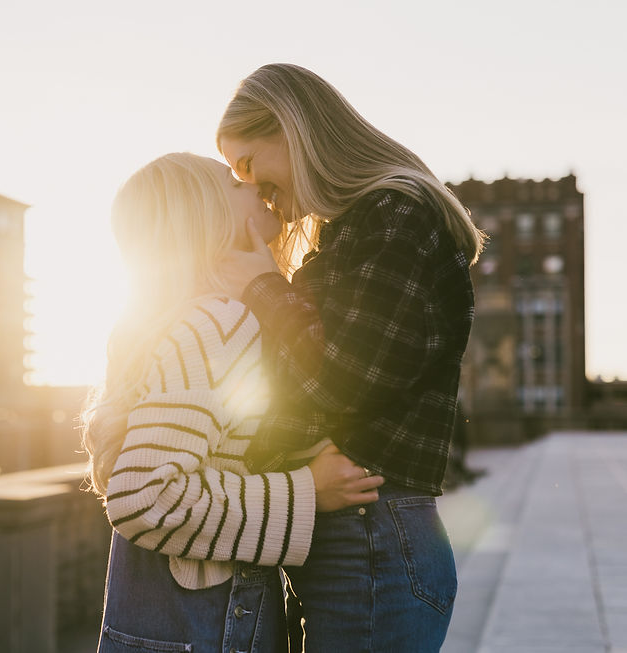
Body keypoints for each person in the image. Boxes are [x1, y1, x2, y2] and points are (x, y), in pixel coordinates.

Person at [216, 63, 485, 652]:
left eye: (248, 165)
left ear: (290, 128)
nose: (254, 188)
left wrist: (264, 286)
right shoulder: (354, 230)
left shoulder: (395, 214)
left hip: (371, 540)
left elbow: (345, 377)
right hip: (360, 540)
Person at [81, 152, 384, 652]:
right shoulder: (218, 323)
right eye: (234, 181)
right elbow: (144, 498)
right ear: (206, 215)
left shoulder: (190, 320)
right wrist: (307, 492)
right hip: (203, 627)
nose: (253, 184)